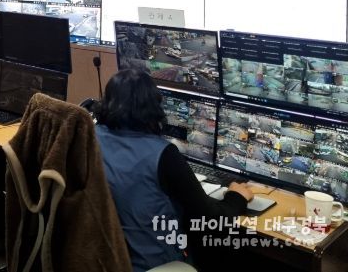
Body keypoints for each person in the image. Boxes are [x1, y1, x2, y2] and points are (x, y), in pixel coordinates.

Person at [95, 69, 253, 272]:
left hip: (108, 259)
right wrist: (237, 197)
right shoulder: (162, 154)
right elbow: (211, 218)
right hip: (155, 263)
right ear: (153, 106)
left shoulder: (93, 136)